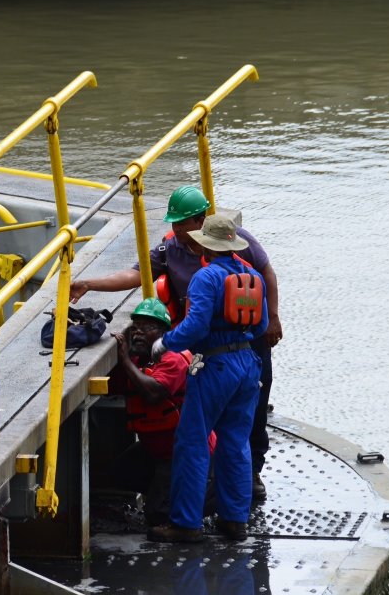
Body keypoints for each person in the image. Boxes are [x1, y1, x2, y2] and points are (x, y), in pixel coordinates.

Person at [70, 185, 282, 501]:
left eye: (182, 224)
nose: (176, 230)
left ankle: (232, 487)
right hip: (215, 347)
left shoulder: (233, 243)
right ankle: (230, 506)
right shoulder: (171, 249)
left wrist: (162, 345)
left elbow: (266, 275)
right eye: (174, 224)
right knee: (228, 421)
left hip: (244, 343)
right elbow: (136, 274)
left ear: (200, 221)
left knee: (244, 416)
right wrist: (89, 283)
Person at [147, 212, 268, 544]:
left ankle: (185, 523)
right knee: (235, 444)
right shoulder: (252, 275)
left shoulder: (207, 277)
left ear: (206, 246)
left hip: (214, 365)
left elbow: (196, 325)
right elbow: (260, 326)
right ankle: (234, 520)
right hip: (247, 363)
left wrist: (166, 342)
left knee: (193, 442)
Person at [108, 297, 204, 526]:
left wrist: (124, 360)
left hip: (182, 453)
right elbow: (113, 387)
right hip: (157, 450)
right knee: (119, 472)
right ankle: (163, 491)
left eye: (147, 327)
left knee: (158, 518)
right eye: (136, 327)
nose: (139, 333)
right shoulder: (140, 360)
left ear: (163, 333)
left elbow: (153, 394)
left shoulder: (173, 358)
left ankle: (185, 499)